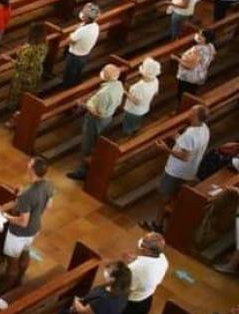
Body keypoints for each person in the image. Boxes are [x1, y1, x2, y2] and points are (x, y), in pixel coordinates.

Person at [0, 157, 55, 307]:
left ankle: (5, 289)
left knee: (12, 261)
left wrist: (6, 216)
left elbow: (22, 221)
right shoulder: (48, 184)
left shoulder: (28, 194)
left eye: (30, 164)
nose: (27, 164)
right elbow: (49, 206)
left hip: (19, 234)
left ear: (32, 169)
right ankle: (20, 278)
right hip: (35, 229)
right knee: (26, 252)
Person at [142, 105, 211, 234]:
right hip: (190, 170)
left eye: (191, 111)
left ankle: (157, 224)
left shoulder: (190, 134)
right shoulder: (204, 129)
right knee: (174, 195)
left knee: (164, 196)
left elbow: (185, 156)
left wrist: (165, 149)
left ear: (195, 116)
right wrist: (177, 137)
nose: (189, 112)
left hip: (176, 171)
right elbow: (190, 147)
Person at [105, 232, 169, 314]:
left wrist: (127, 265)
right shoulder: (163, 259)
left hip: (131, 303)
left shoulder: (136, 269)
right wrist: (136, 260)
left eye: (143, 243)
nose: (140, 244)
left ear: (147, 249)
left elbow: (124, 287)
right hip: (147, 298)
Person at [66, 64, 125, 180]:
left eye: (104, 71)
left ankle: (83, 170)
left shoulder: (104, 94)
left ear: (107, 76)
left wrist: (82, 105)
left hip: (96, 120)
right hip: (108, 118)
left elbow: (98, 112)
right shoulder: (118, 84)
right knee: (95, 142)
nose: (102, 72)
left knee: (88, 144)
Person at [63, 3, 101, 87]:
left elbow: (67, 41)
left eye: (83, 13)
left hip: (75, 56)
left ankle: (68, 91)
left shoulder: (83, 31)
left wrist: (70, 36)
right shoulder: (95, 26)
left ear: (87, 18)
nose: (82, 14)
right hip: (84, 54)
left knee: (69, 75)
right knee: (77, 73)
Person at [120, 57, 161, 137]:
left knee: (128, 123)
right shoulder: (155, 80)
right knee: (137, 121)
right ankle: (135, 130)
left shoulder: (139, 87)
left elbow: (136, 102)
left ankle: (127, 136)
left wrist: (125, 92)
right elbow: (156, 93)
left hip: (133, 110)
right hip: (144, 108)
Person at [175, 28, 216, 103]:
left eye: (201, 35)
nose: (198, 36)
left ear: (206, 39)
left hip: (189, 76)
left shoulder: (197, 49)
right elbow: (211, 57)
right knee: (192, 92)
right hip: (200, 74)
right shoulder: (211, 47)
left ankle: (181, 109)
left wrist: (178, 59)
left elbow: (190, 66)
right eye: (199, 34)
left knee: (182, 94)